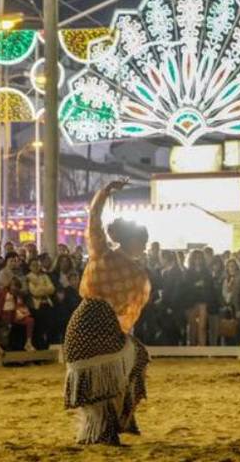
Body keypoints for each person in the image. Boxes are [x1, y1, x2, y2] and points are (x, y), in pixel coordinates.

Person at [63, 180, 152, 446]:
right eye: (141, 242)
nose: (144, 247)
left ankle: (107, 427)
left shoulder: (122, 263)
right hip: (95, 323)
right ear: (131, 241)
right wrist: (104, 193)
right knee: (127, 365)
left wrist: (104, 193)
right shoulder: (107, 254)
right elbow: (94, 218)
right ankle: (109, 426)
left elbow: (134, 307)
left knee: (134, 360)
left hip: (91, 324)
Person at [0, 276, 36, 352]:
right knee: (4, 331)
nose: (15, 288)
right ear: (10, 285)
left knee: (30, 321)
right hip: (3, 314)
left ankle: (28, 342)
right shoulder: (2, 292)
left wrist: (19, 313)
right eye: (14, 286)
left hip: (12, 314)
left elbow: (16, 305)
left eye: (17, 287)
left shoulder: (16, 294)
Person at [183, 250, 215, 347]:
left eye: (200, 258)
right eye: (195, 258)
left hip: (203, 301)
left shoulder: (207, 272)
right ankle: (192, 349)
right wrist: (196, 285)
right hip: (190, 301)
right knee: (192, 327)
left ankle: (202, 348)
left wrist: (202, 285)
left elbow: (210, 286)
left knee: (202, 327)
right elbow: (185, 287)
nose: (198, 260)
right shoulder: (188, 272)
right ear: (192, 259)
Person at [27, 256, 56, 350]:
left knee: (49, 327)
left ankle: (46, 348)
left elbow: (52, 289)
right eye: (34, 265)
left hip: (47, 304)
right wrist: (44, 288)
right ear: (30, 266)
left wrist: (40, 287)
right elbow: (34, 292)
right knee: (39, 329)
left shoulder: (45, 276)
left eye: (38, 265)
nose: (36, 267)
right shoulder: (28, 277)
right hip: (36, 306)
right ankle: (39, 349)